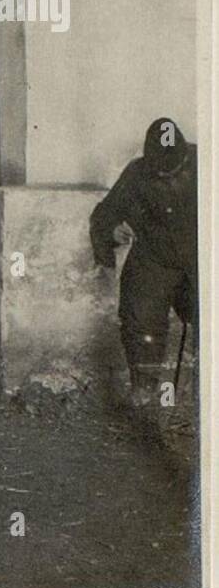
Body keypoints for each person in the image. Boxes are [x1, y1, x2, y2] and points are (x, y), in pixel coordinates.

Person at [90, 117, 198, 409]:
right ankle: (145, 388)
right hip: (155, 258)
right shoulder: (137, 172)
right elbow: (104, 213)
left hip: (201, 258)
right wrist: (113, 229)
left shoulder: (207, 164)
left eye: (171, 170)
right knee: (139, 315)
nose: (164, 176)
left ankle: (203, 389)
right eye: (159, 171)